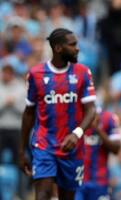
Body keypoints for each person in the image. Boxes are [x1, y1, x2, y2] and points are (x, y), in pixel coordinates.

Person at [18, 28, 96, 200]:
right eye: (72, 44)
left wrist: (76, 134)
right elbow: (29, 113)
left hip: (72, 148)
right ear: (58, 48)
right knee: (43, 194)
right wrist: (22, 150)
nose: (77, 48)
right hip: (44, 145)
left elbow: (91, 110)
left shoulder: (83, 73)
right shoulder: (36, 74)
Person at [75, 109, 121, 200]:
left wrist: (96, 128)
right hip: (77, 180)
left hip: (100, 181)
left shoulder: (109, 117)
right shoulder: (74, 115)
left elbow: (116, 148)